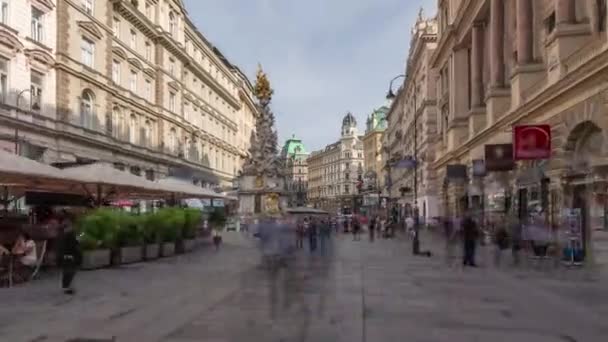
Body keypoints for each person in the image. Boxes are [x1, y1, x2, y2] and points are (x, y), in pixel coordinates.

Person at [56, 211, 81, 294]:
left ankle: (67, 287)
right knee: (69, 270)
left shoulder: (64, 233)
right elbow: (72, 244)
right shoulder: (67, 233)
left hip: (67, 253)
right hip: (69, 253)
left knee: (69, 270)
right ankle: (67, 287)